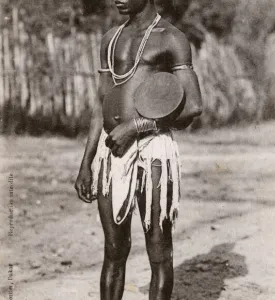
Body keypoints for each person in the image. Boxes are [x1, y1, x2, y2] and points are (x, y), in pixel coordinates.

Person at [74, 0, 202, 299]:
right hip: (112, 147)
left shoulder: (171, 38)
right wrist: (86, 162)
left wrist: (137, 127)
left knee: (158, 250)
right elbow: (100, 104)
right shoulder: (110, 39)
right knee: (114, 250)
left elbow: (193, 106)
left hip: (153, 149)